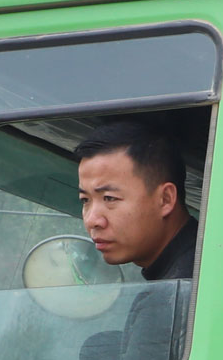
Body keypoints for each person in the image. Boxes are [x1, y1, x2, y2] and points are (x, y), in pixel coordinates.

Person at [75, 119, 198, 285]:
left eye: (109, 198)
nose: (92, 221)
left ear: (165, 199)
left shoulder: (186, 290)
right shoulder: (204, 262)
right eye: (85, 200)